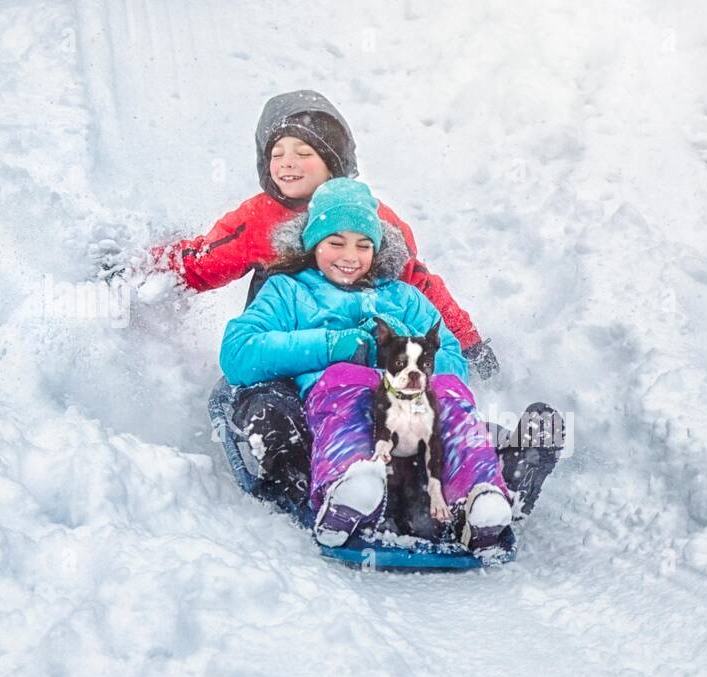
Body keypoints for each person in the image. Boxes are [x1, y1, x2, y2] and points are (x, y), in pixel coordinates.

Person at [94, 89, 500, 378]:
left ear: (333, 161)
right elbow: (205, 260)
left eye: (304, 154)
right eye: (277, 154)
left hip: (366, 343)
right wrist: (140, 270)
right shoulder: (259, 218)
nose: (287, 164)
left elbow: (418, 283)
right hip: (293, 336)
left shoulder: (369, 216)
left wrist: (465, 342)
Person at [219, 178, 526, 550]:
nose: (350, 256)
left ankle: (479, 499)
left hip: (412, 412)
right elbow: (238, 353)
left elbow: (450, 358)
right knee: (344, 379)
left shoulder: (404, 297)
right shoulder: (290, 291)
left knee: (450, 393)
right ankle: (349, 490)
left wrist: (409, 355)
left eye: (363, 245)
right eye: (335, 243)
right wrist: (331, 346)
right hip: (337, 404)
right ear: (313, 243)